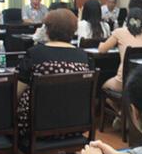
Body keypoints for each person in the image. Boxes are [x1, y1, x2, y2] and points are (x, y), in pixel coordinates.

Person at [16, 9, 91, 137]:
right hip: (75, 123)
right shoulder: (83, 56)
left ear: (47, 30)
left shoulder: (35, 53)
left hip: (36, 125)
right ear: (73, 31)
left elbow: (17, 91)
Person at [99, 7, 142, 94]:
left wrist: (100, 44)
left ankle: (116, 103)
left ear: (127, 18)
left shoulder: (119, 32)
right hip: (140, 81)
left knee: (102, 86)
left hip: (122, 81)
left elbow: (102, 50)